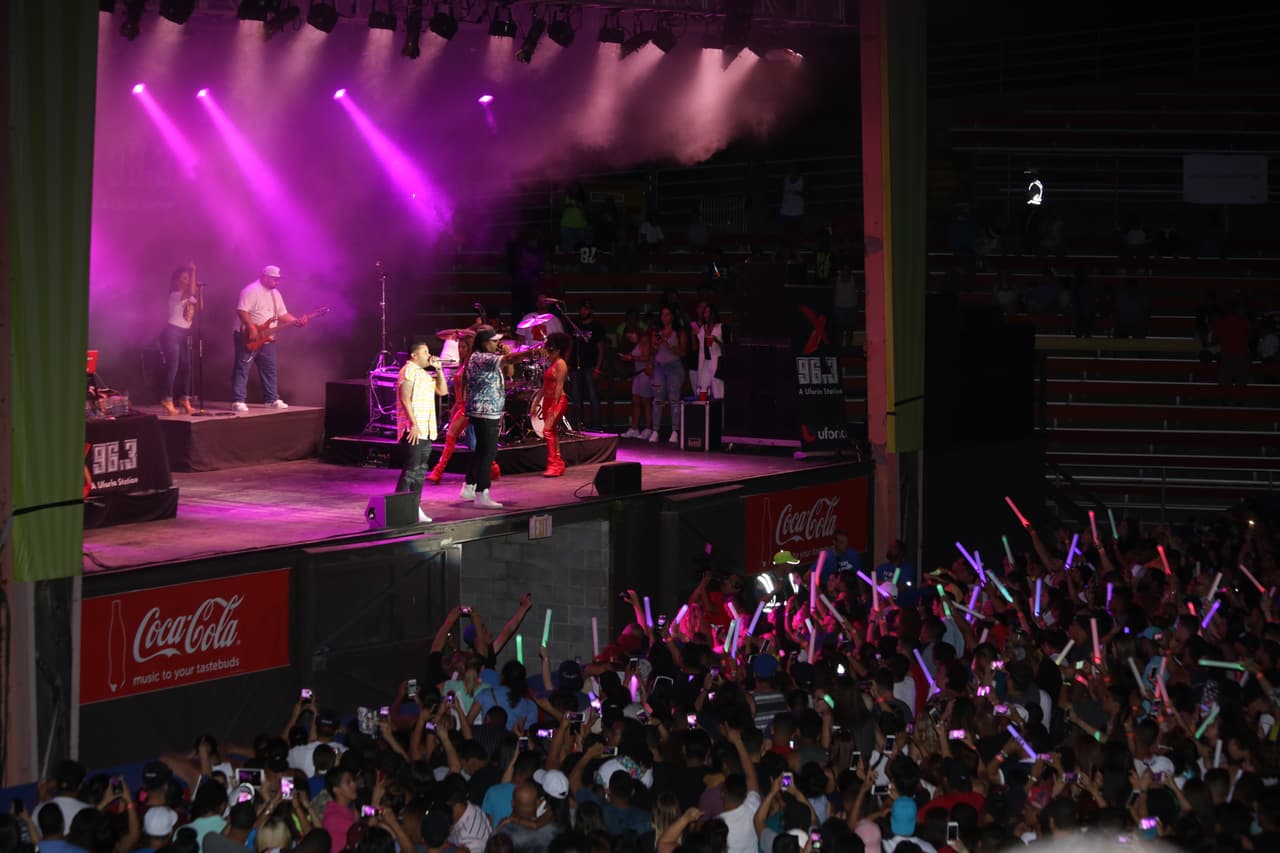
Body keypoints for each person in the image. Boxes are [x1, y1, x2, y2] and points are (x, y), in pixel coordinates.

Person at [462, 326, 541, 509]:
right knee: (489, 452)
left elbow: (510, 372)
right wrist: (532, 352)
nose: (498, 343)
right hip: (484, 411)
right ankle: (482, 493)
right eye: (495, 341)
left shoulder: (486, 358)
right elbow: (511, 358)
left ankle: (470, 486)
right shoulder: (482, 357)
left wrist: (507, 357)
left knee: (482, 451)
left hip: (486, 411)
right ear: (484, 342)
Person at [231, 265, 308, 412]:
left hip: (267, 338)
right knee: (242, 367)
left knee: (269, 369)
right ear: (265, 277)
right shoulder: (251, 290)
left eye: (278, 279)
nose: (277, 282)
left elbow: (282, 314)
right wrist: (252, 327)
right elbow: (241, 310)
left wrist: (296, 321)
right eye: (274, 279)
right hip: (248, 336)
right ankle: (238, 399)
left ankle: (271, 399)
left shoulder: (276, 294)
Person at [429, 332, 501, 486]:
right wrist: (456, 405)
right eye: (459, 347)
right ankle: (493, 467)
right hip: (463, 405)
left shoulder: (472, 363)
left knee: (451, 436)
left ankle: (438, 471)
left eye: (463, 347)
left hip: (469, 406)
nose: (460, 350)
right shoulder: (463, 363)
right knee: (475, 443)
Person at [395, 339, 449, 523]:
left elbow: (442, 391)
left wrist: (439, 369)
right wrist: (414, 424)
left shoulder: (424, 374)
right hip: (413, 429)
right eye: (425, 352)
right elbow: (404, 399)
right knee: (411, 470)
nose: (428, 355)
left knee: (420, 471)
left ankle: (414, 507)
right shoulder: (408, 370)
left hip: (426, 429)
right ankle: (399, 510)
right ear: (414, 355)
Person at [160, 261, 198, 416]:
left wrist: (199, 292)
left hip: (184, 334)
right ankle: (167, 399)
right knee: (173, 368)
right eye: (184, 278)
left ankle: (184, 398)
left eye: (189, 278)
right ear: (177, 281)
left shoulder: (189, 297)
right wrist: (193, 271)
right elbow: (190, 292)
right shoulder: (175, 295)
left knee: (187, 367)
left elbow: (199, 305)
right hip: (172, 333)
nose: (188, 281)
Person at [648, 306, 687, 446]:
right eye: (662, 314)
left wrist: (668, 344)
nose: (664, 317)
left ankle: (675, 430)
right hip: (659, 366)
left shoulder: (679, 331)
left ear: (672, 316)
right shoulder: (657, 331)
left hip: (674, 367)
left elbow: (683, 352)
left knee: (674, 398)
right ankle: (655, 430)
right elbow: (652, 350)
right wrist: (656, 345)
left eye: (667, 314)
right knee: (658, 398)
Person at [540, 333, 572, 478]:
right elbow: (544, 386)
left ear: (557, 351)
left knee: (547, 430)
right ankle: (557, 464)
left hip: (557, 400)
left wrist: (554, 405)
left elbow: (559, 386)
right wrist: (536, 403)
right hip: (548, 399)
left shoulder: (560, 364)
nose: (547, 354)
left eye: (550, 351)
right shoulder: (552, 364)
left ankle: (553, 464)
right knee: (551, 431)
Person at [568, 302, 604, 430]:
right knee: (576, 397)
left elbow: (600, 348)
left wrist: (598, 367)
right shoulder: (575, 325)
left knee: (593, 396)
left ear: (591, 311)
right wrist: (567, 362)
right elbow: (571, 345)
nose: (583, 311)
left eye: (586, 309)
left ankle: (596, 425)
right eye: (581, 309)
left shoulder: (596, 326)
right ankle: (578, 425)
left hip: (591, 365)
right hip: (575, 365)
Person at [617, 320, 652, 440]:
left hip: (644, 374)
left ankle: (648, 428)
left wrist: (631, 357)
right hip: (637, 375)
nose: (630, 339)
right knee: (636, 401)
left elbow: (646, 357)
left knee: (645, 402)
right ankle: (634, 428)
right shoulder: (637, 343)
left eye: (630, 336)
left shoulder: (644, 340)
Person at [690, 302, 724, 400]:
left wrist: (716, 340)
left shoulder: (720, 327)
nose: (706, 314)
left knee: (717, 390)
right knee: (703, 387)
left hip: (717, 360)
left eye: (708, 312)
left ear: (713, 313)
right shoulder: (703, 328)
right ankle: (704, 411)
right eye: (705, 312)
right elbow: (696, 347)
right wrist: (693, 335)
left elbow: (726, 347)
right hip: (706, 361)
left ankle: (719, 412)